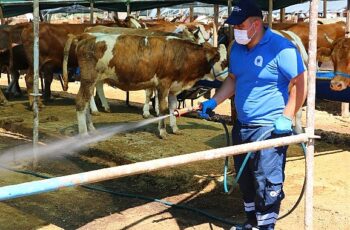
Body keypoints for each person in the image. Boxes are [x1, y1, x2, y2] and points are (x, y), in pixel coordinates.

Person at [199, 1, 307, 229]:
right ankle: (252, 222)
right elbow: (233, 79)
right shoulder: (237, 48)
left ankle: (265, 226)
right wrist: (214, 100)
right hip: (243, 125)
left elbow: (300, 83)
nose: (235, 29)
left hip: (269, 128)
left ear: (256, 24)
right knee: (246, 180)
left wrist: (287, 117)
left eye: (240, 25)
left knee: (266, 181)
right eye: (234, 25)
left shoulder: (281, 48)